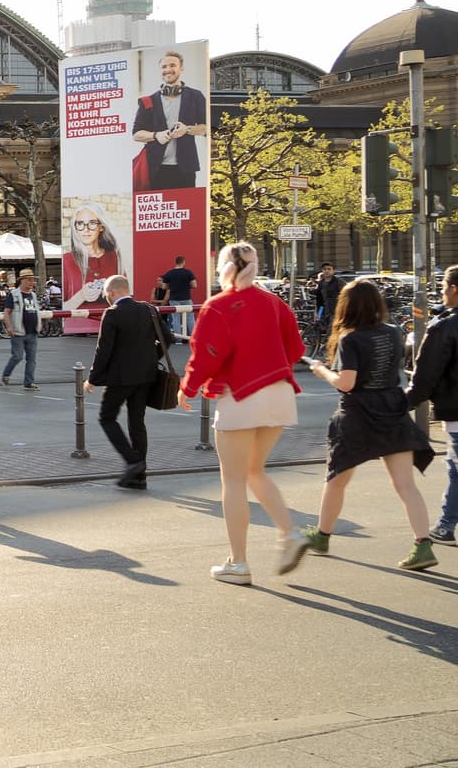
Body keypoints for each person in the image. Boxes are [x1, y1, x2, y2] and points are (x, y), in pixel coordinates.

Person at [177, 242, 304, 585]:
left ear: (224, 268)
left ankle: (239, 562)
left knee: (233, 479)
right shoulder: (274, 302)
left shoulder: (219, 306)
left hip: (241, 395)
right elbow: (296, 347)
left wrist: (187, 388)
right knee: (254, 470)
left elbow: (206, 354)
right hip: (280, 391)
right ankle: (289, 533)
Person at [294, 279, 438, 572]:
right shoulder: (393, 332)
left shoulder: (350, 339)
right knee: (405, 485)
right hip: (392, 410)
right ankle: (423, 544)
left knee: (336, 480)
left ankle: (322, 536)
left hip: (358, 415)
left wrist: (322, 371)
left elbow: (347, 383)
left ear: (346, 307)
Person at [85, 275, 173, 489]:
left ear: (113, 292)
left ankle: (133, 462)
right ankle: (140, 476)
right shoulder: (148, 310)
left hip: (120, 377)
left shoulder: (113, 313)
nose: (107, 298)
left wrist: (93, 378)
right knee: (137, 423)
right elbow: (168, 337)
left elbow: (103, 350)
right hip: (146, 375)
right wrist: (153, 357)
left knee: (107, 417)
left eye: (107, 294)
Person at [405, 266, 458, 544]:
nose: (441, 292)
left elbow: (426, 375)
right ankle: (446, 525)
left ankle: (446, 526)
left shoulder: (445, 327)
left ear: (454, 289)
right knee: (454, 467)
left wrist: (404, 403)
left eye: (443, 287)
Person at [130, 48, 208, 190]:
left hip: (185, 168)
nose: (168, 70)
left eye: (172, 65)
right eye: (164, 67)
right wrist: (156, 135)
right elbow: (136, 134)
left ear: (181, 68)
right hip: (155, 168)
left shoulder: (196, 96)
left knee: (187, 209)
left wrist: (188, 129)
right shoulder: (148, 101)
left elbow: (207, 128)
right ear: (160, 71)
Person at [64, 206, 122, 310]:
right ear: (75, 228)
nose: (86, 229)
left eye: (92, 223)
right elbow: (62, 308)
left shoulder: (115, 256)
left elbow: (126, 297)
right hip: (79, 324)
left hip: (111, 322)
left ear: (101, 227)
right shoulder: (67, 260)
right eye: (80, 224)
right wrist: (81, 296)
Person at [0, 270, 45, 391]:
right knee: (17, 356)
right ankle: (6, 374)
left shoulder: (33, 295)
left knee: (32, 359)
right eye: (29, 279)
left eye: (33, 279)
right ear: (22, 281)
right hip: (18, 331)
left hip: (32, 331)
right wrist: (9, 327)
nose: (32, 282)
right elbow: (7, 312)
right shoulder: (13, 294)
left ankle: (29, 382)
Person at [161, 255, 199, 340]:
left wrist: (172, 287)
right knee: (190, 318)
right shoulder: (188, 272)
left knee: (176, 319)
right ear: (183, 262)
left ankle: (178, 339)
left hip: (174, 299)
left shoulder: (169, 273)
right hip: (186, 298)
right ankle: (192, 338)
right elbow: (194, 285)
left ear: (176, 262)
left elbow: (163, 287)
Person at [310, 263, 344, 329]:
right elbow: (319, 299)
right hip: (324, 311)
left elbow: (345, 295)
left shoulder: (339, 282)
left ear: (333, 271)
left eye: (329, 269)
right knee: (322, 329)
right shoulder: (321, 283)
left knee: (331, 331)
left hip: (336, 311)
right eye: (324, 269)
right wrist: (316, 313)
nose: (326, 271)